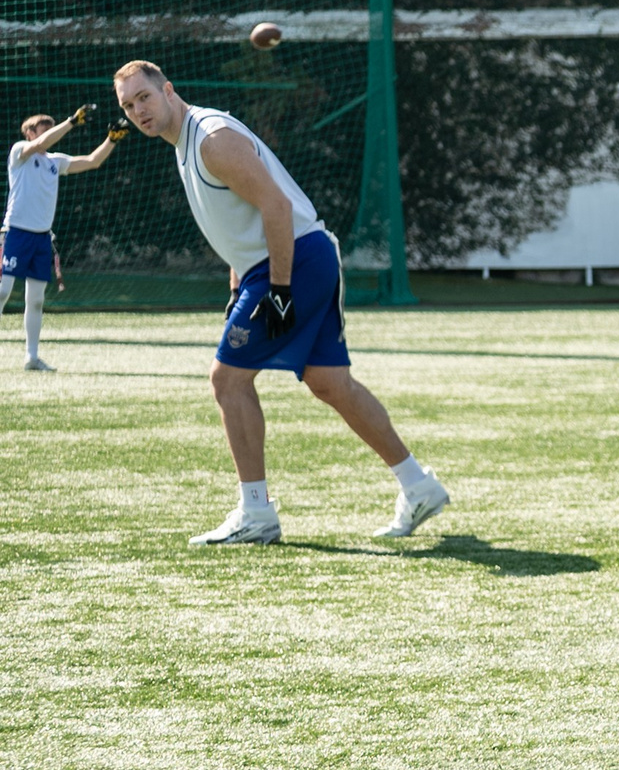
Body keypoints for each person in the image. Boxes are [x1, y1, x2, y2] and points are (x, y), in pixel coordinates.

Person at [111, 61, 447, 546]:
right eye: (128, 106)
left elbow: (276, 207)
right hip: (290, 262)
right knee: (330, 383)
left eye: (143, 97)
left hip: (293, 263)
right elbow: (240, 224)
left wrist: (282, 290)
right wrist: (236, 291)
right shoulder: (186, 144)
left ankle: (256, 513)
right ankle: (419, 485)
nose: (137, 110)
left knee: (227, 380)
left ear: (167, 90)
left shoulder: (211, 138)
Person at [4, 105, 116, 371]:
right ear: (30, 133)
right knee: (2, 292)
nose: (52, 135)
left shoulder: (55, 162)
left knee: (37, 300)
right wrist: (71, 122)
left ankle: (31, 357)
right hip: (16, 233)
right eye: (45, 130)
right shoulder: (19, 151)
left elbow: (92, 161)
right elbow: (43, 142)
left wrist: (112, 139)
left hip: (42, 239)